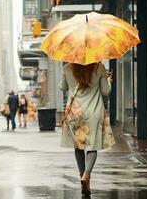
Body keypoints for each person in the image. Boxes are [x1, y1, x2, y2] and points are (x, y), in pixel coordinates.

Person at [60, 62, 112, 195]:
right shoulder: (99, 67)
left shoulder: (67, 68)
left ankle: (82, 176)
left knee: (78, 146)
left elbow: (63, 87)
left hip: (75, 112)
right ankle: (86, 176)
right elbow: (106, 91)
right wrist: (109, 81)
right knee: (92, 145)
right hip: (93, 111)